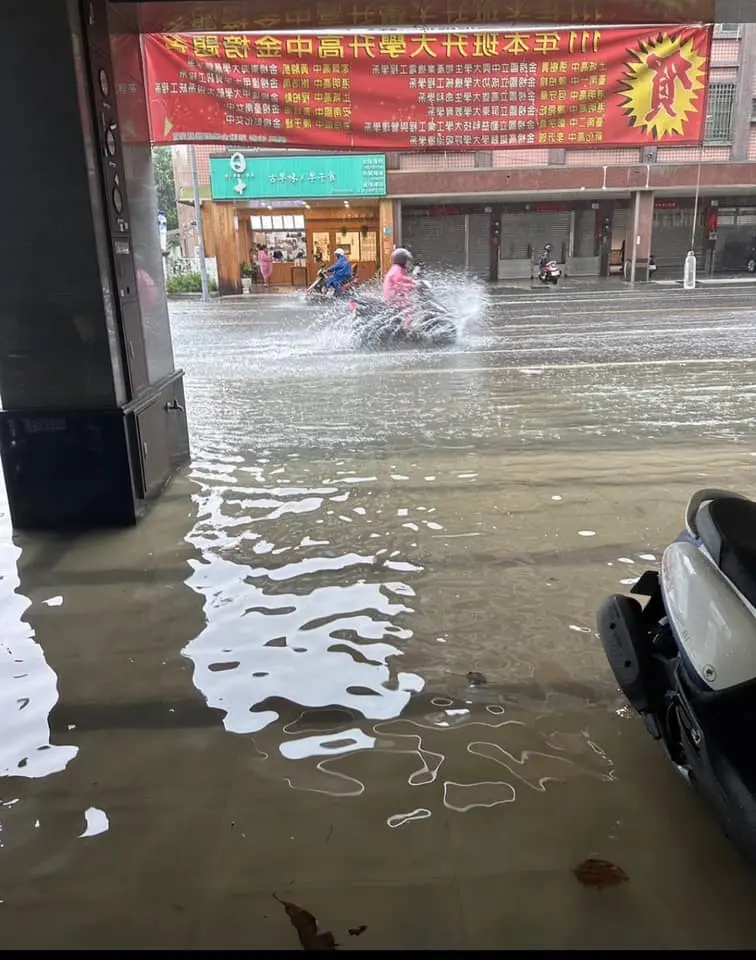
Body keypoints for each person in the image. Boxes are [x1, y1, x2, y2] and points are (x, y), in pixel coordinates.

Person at [383, 247, 417, 328]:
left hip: (394, 297)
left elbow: (403, 279)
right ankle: (408, 328)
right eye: (407, 260)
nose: (409, 263)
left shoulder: (396, 268)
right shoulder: (397, 269)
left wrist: (413, 281)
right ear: (402, 260)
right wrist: (414, 286)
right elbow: (399, 282)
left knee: (411, 302)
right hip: (394, 299)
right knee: (409, 305)